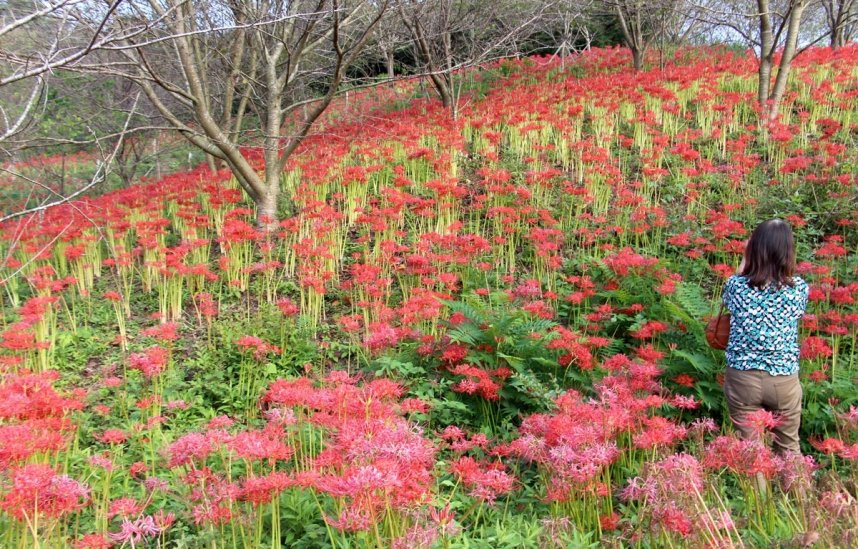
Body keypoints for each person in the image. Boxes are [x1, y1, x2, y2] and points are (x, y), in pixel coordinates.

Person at [721, 219, 809, 455]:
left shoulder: (736, 286)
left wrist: (746, 260)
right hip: (784, 379)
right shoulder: (799, 289)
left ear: (754, 249)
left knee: (752, 453)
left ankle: (759, 493)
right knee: (789, 447)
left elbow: (735, 290)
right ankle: (799, 493)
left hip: (743, 377)